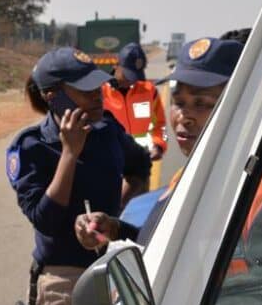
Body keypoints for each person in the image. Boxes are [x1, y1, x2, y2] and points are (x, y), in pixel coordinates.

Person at [7, 47, 151, 305]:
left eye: (97, 87)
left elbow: (140, 165)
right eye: (85, 90)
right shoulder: (31, 147)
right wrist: (70, 153)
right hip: (65, 285)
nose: (97, 95)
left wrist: (116, 215)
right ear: (53, 97)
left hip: (116, 269)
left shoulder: (107, 131)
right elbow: (45, 219)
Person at [75, 37, 244, 249]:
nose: (184, 116)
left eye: (202, 103)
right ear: (116, 68)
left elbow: (160, 127)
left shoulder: (256, 189)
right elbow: (162, 245)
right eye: (179, 102)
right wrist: (116, 229)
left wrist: (159, 145)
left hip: (142, 164)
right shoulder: (102, 96)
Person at [102, 42, 168, 161]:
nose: (131, 80)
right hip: (111, 160)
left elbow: (161, 125)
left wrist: (159, 146)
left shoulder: (149, 91)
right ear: (115, 65)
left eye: (135, 76)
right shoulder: (100, 94)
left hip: (141, 161)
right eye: (127, 75)